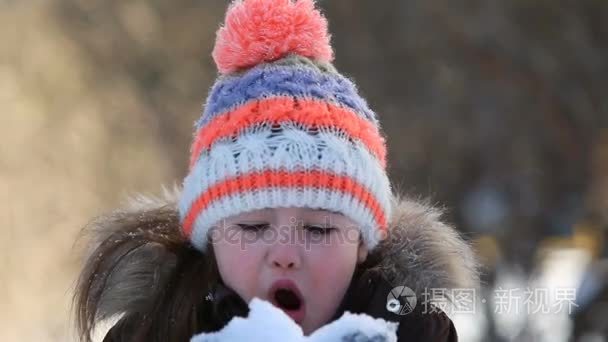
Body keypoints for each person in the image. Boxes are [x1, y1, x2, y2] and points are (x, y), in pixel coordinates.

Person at [72, 0, 479, 341]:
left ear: (362, 246)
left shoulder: (415, 332)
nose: (285, 254)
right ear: (211, 239)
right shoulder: (154, 332)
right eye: (252, 227)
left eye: (318, 229)